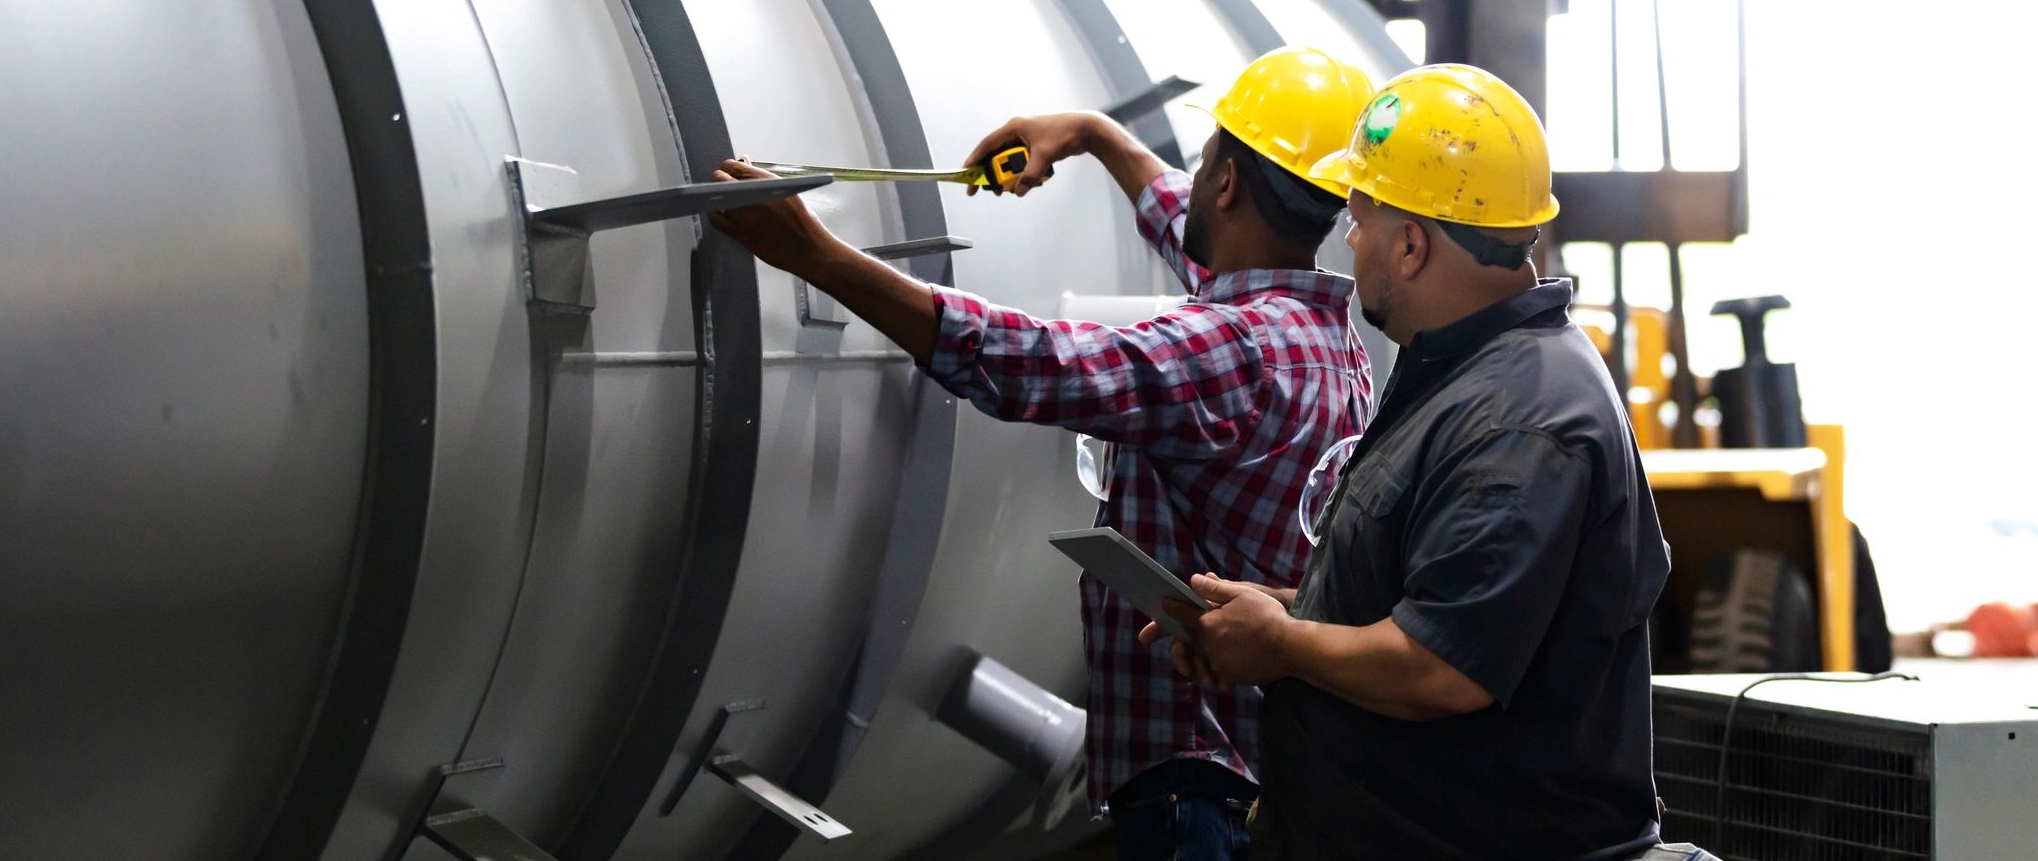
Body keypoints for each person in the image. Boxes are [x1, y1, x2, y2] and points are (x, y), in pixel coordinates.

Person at [708, 47, 1378, 860]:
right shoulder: (1318, 333)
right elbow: (1195, 236)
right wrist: (1093, 135)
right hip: (1259, 763)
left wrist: (816, 256)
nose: (1193, 180)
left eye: (1204, 164)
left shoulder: (1231, 349)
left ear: (1229, 183)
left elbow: (1027, 361)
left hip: (1196, 784)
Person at [1148, 64, 1678, 861]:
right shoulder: (1462, 374)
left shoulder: (1520, 421)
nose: (1349, 238)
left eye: (1358, 217)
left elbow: (1440, 668)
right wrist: (1285, 608)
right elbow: (1429, 592)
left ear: (1410, 243)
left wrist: (1281, 646)